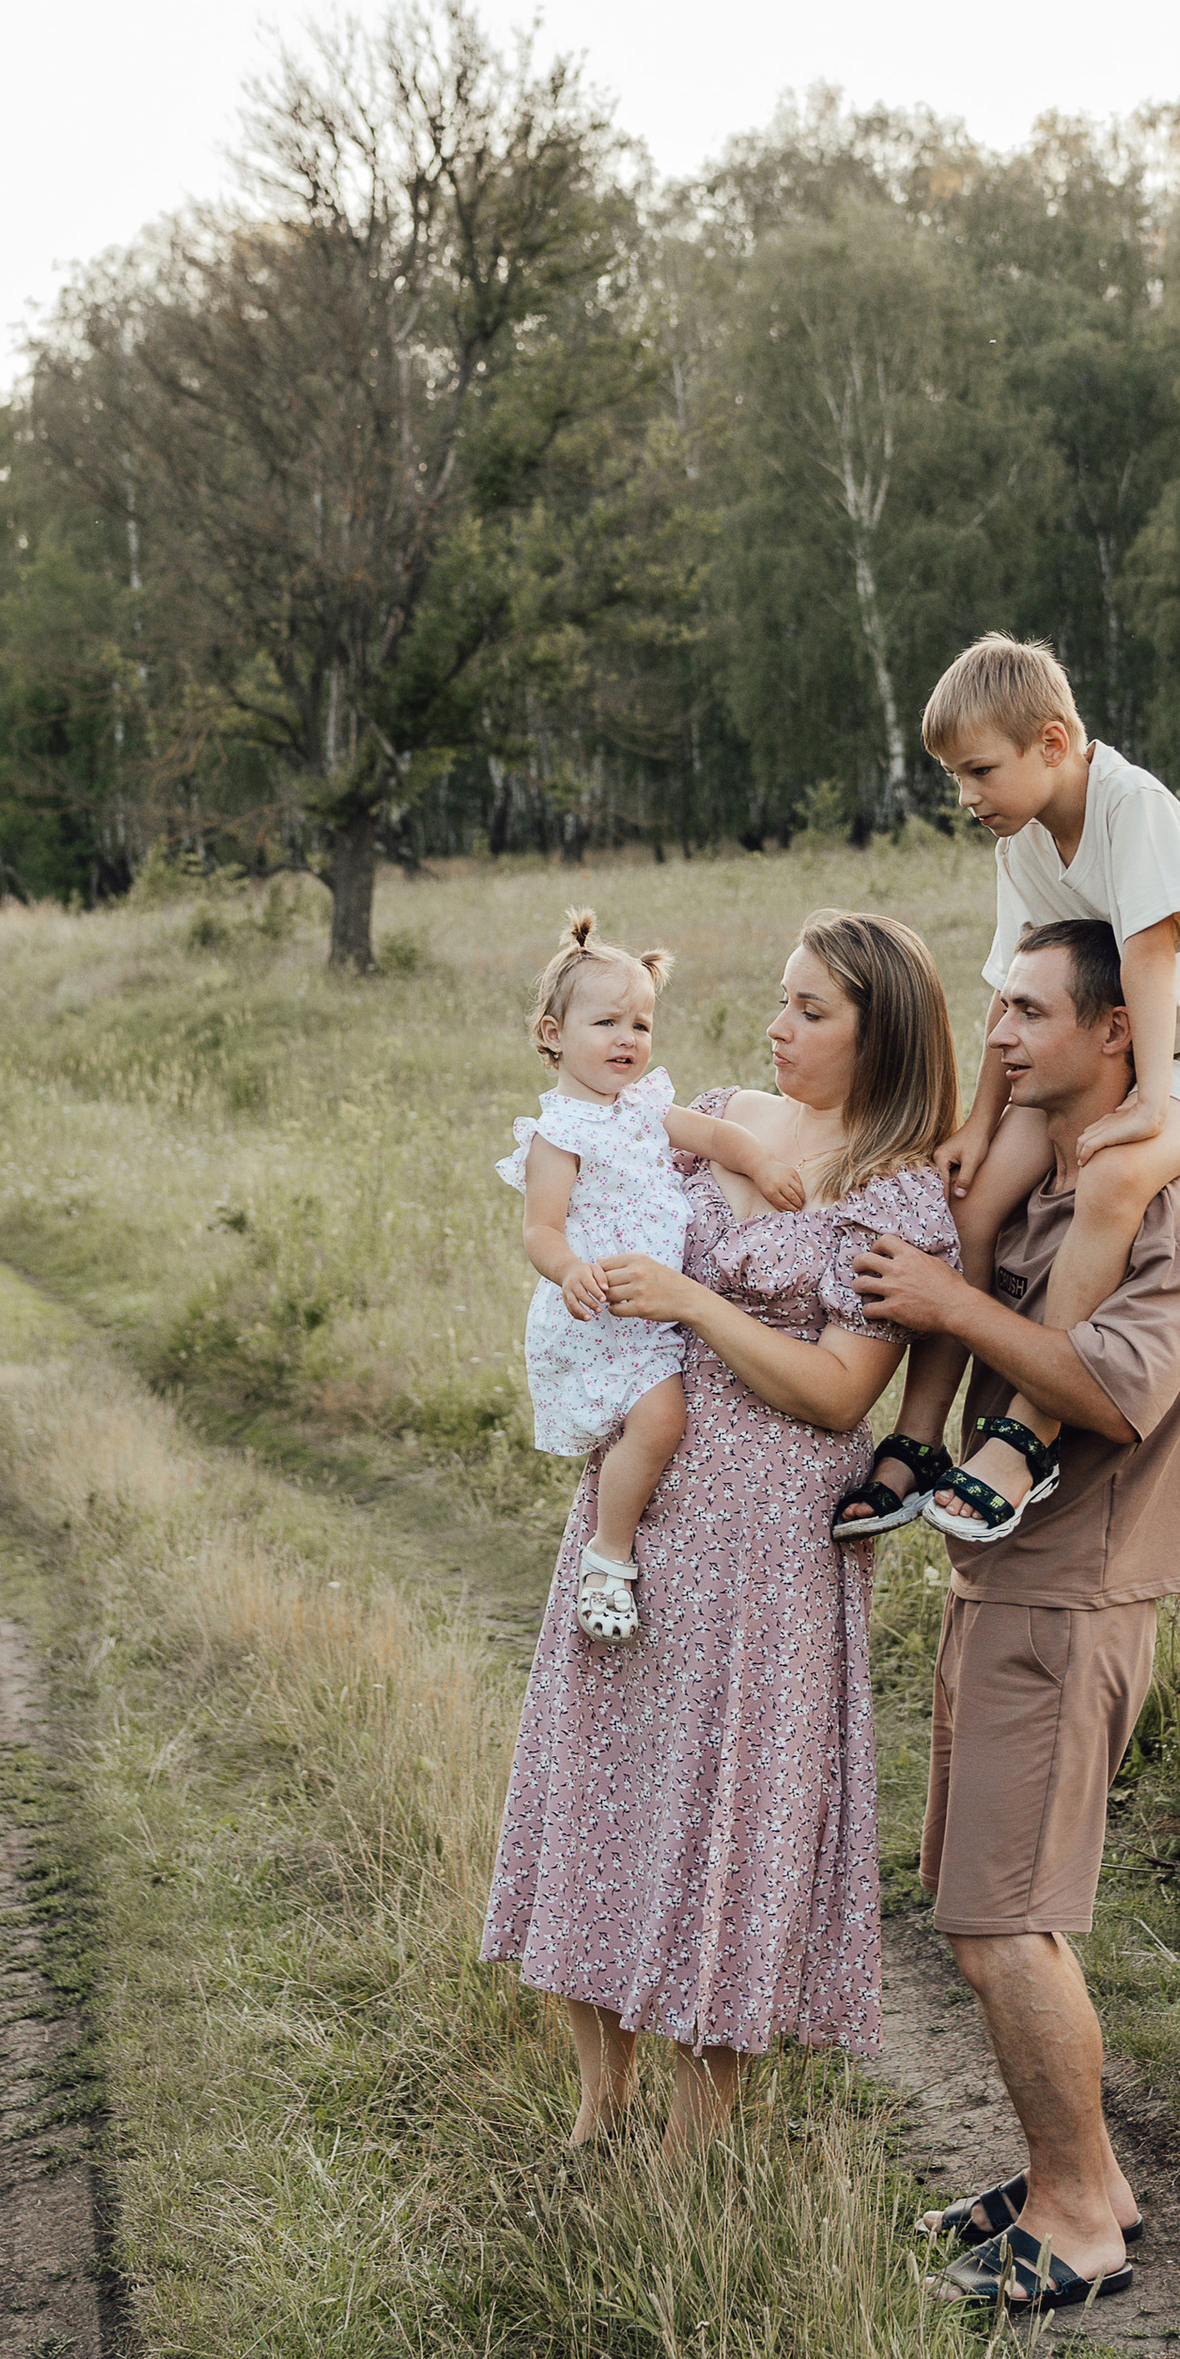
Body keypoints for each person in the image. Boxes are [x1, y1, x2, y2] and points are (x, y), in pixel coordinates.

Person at [481, 912, 961, 2145]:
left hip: (777, 1539)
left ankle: (700, 2137)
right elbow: (594, 1199)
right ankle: (599, 2100)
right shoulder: (720, 1108)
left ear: (879, 1034)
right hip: (650, 1498)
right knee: (604, 1777)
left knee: (731, 1814)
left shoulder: (897, 1181)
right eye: (780, 1000)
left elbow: (841, 1391)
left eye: (810, 1010)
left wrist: (693, 1295)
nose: (775, 1026)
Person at [851, 918, 1180, 2310]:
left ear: (1117, 1030)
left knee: (1005, 1916)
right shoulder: (1041, 1179)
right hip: (999, 1578)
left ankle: (1077, 2217)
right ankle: (1084, 2172)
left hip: (1075, 1594)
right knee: (985, 1909)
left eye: (1030, 1010)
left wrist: (952, 1295)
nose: (999, 1034)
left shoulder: (1165, 1206)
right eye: (996, 1006)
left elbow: (1118, 1392)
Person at [842, 631, 1180, 1550]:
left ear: (1050, 742)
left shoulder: (1130, 805)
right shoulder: (1024, 837)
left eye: (979, 771)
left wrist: (1151, 1103)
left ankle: (1026, 1434)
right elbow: (1016, 986)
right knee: (974, 1194)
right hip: (1103, 1056)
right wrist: (979, 1121)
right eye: (956, 777)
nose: (967, 797)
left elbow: (1150, 954)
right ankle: (920, 1433)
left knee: (1117, 1176)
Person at [500, 912, 808, 1646]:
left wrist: (760, 1161)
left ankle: (616, 1538)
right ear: (552, 1035)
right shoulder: (560, 1132)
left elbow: (712, 1134)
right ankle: (608, 1555)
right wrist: (570, 1268)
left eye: (640, 1023)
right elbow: (541, 1229)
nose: (627, 1039)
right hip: (603, 1308)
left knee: (654, 1423)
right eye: (605, 1022)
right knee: (660, 1419)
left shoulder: (641, 1105)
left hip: (653, 1305)